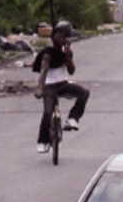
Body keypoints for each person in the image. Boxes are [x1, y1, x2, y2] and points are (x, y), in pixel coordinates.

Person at [32, 20, 89, 154]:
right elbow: (44, 71)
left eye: (66, 37)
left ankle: (73, 119)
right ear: (54, 37)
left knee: (84, 93)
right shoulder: (48, 53)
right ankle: (43, 140)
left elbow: (71, 71)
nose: (63, 39)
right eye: (61, 36)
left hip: (63, 84)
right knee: (47, 112)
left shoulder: (66, 52)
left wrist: (68, 56)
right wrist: (40, 88)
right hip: (49, 87)